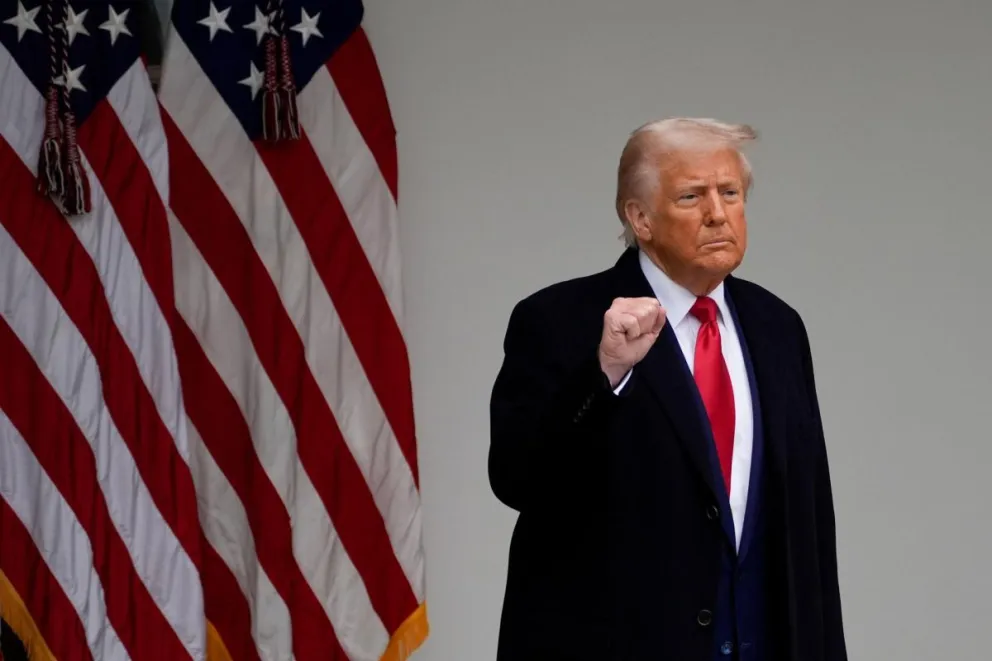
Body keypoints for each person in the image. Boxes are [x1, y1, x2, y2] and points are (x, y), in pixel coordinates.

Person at [488, 118, 847, 661]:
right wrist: (604, 371)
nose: (717, 213)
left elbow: (810, 521)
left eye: (730, 193)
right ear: (640, 218)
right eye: (690, 196)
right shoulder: (560, 320)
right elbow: (516, 479)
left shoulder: (778, 327)